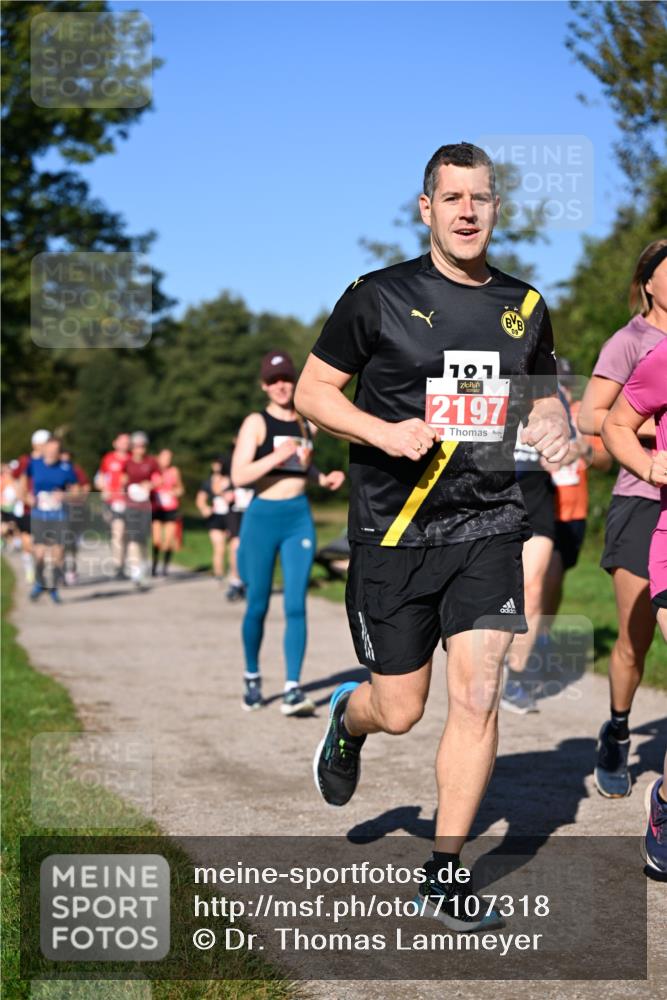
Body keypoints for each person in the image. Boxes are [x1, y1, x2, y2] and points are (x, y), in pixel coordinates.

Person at [296, 142, 569, 931]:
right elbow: (316, 393)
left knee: (478, 694)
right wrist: (383, 433)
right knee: (401, 707)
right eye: (450, 198)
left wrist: (551, 428)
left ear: (494, 208)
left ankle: (444, 871)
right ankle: (349, 718)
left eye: (479, 198)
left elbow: (542, 394)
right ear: (425, 209)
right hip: (394, 529)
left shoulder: (524, 303)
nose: (465, 211)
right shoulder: (374, 296)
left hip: (488, 523)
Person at [578, 239, 667, 799]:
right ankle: (616, 729)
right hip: (642, 498)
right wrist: (657, 438)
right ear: (649, 284)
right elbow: (593, 416)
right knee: (636, 640)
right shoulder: (631, 341)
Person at [231, 350, 345, 716]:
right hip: (263, 515)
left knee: (296, 604)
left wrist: (322, 477)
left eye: (286, 379)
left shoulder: (304, 423)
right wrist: (275, 458)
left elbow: (303, 466)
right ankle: (252, 677)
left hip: (298, 516)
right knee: (258, 604)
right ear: (264, 385)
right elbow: (239, 476)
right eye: (273, 380)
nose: (281, 386)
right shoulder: (256, 423)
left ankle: (293, 688)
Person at [601, 335, 667, 875]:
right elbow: (611, 422)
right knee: (632, 639)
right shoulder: (653, 355)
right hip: (656, 527)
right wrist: (650, 467)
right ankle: (665, 808)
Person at [542, 360, 612, 619]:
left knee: (555, 577)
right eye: (558, 385)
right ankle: (530, 637)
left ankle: (542, 634)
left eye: (567, 385)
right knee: (546, 572)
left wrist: (584, 450)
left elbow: (606, 462)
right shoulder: (536, 415)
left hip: (573, 512)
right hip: (541, 508)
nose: (564, 391)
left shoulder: (582, 416)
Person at [22, 437, 79, 603]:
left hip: (59, 515)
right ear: (44, 448)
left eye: (56, 450)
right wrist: (27, 497)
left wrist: (65, 495)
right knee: (39, 553)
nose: (52, 453)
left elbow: (77, 492)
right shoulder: (34, 464)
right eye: (50, 449)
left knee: (58, 553)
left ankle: (53, 587)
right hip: (39, 514)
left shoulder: (66, 468)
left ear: (59, 451)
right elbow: (22, 484)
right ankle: (40, 583)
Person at [11, 428, 52, 584]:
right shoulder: (25, 461)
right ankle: (30, 568)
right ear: (36, 445)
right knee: (28, 543)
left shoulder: (50, 460)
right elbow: (14, 479)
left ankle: (43, 570)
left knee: (45, 542)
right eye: (44, 443)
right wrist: (23, 496)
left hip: (47, 508)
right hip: (27, 508)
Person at [124, 431, 159, 590]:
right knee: (133, 538)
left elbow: (159, 479)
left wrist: (150, 485)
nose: (140, 449)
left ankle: (144, 565)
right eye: (137, 446)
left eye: (143, 446)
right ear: (132, 447)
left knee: (143, 539)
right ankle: (135, 570)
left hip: (146, 505)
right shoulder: (127, 462)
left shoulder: (151, 462)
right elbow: (119, 480)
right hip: (131, 505)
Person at [95, 433, 130, 579]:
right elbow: (100, 477)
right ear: (115, 443)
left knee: (126, 535)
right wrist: (103, 488)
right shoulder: (108, 459)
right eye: (122, 442)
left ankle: (123, 562)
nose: (124, 444)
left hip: (129, 501)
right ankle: (118, 567)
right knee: (118, 532)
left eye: (127, 442)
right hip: (112, 502)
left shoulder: (131, 459)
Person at [196, 457, 235, 582]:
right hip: (215, 517)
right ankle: (219, 574)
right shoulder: (208, 482)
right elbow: (200, 499)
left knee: (232, 547)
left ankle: (233, 572)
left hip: (231, 516)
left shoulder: (232, 480)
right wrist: (204, 508)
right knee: (219, 547)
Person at [151, 448, 184, 577]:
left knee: (168, 540)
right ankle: (154, 565)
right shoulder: (153, 470)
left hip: (171, 508)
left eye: (169, 458)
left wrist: (175, 492)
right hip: (157, 508)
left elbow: (181, 488)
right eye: (164, 457)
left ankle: (165, 567)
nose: (167, 460)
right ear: (158, 457)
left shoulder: (174, 471)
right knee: (157, 540)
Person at [59, 448, 91, 585]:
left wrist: (80, 497)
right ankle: (61, 570)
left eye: (68, 456)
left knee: (72, 543)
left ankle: (71, 569)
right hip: (59, 510)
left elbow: (86, 486)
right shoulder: (53, 470)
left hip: (75, 509)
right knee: (60, 542)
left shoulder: (76, 470)